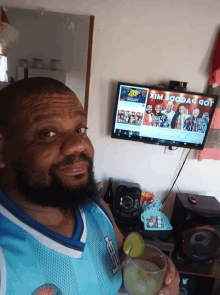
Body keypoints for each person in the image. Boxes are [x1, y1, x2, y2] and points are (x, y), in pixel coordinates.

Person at [0, 78, 179, 295]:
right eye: (48, 133)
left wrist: (154, 269)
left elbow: (125, 253)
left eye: (80, 128)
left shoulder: (96, 208)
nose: (80, 144)